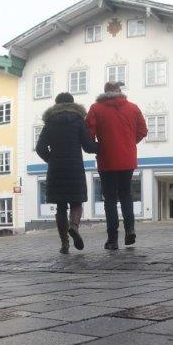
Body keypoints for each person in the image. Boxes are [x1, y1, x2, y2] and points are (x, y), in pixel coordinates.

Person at [86, 81, 147, 250]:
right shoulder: (133, 108)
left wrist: (97, 147)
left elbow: (88, 133)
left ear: (104, 92)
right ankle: (130, 230)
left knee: (110, 200)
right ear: (119, 92)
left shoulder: (96, 108)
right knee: (126, 195)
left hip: (107, 160)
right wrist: (128, 143)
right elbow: (143, 130)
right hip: (127, 159)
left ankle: (112, 240)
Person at [37, 92, 98, 254]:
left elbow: (40, 148)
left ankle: (64, 244)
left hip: (56, 168)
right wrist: (103, 146)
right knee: (77, 202)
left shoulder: (49, 122)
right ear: (72, 104)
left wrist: (51, 159)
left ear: (56, 105)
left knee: (60, 207)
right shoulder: (78, 120)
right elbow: (88, 146)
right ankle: (74, 226)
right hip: (75, 167)